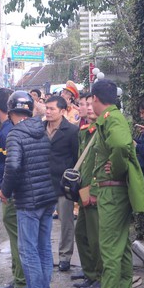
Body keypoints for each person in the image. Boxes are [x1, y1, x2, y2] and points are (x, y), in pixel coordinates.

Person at [79, 79, 144, 288]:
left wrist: (114, 169)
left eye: (90, 101)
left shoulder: (111, 118)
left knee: (109, 248)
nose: (90, 105)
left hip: (112, 191)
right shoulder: (111, 118)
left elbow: (120, 145)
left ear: (96, 100)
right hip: (115, 191)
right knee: (121, 248)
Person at [0, 91, 57, 288]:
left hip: (28, 200)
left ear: (11, 111)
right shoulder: (42, 130)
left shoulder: (15, 134)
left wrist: (4, 191)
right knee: (43, 247)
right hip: (47, 197)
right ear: (30, 110)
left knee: (28, 248)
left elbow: (12, 166)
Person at [0, 88, 27, 288]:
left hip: (11, 193)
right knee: (16, 238)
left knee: (17, 239)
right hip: (12, 190)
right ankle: (17, 278)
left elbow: (11, 167)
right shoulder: (9, 129)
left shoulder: (8, 132)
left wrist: (5, 191)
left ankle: (21, 281)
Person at [44, 95, 79, 272]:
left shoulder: (72, 131)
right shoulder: (40, 129)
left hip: (63, 184)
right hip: (43, 183)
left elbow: (76, 158)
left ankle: (65, 256)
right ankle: (45, 256)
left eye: (52, 109)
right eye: (46, 108)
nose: (48, 112)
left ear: (62, 111)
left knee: (66, 222)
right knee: (43, 222)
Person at [73, 93, 104, 288]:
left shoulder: (102, 131)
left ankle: (100, 276)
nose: (88, 107)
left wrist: (93, 190)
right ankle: (90, 273)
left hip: (96, 191)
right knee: (82, 233)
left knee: (96, 237)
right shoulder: (85, 131)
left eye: (92, 104)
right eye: (85, 104)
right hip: (83, 190)